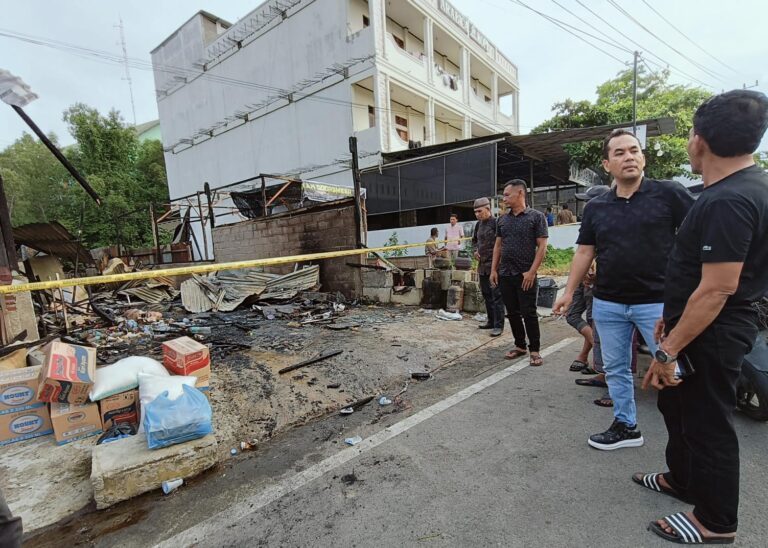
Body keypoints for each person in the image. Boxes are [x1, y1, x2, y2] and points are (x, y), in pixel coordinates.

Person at [639, 90, 768, 544]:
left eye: (692, 132)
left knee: (708, 423)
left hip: (714, 330)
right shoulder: (744, 187)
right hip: (694, 323)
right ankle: (683, 480)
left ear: (700, 140)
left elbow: (717, 289)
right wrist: (670, 323)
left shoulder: (728, 201)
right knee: (678, 408)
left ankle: (715, 521)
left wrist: (666, 350)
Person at [552, 128, 694, 450]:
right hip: (608, 303)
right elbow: (585, 251)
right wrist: (569, 291)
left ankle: (690, 434)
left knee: (674, 369)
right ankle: (627, 425)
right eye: (619, 152)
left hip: (657, 304)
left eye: (634, 150)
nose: (628, 157)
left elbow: (696, 237)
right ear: (606, 164)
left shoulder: (669, 193)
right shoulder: (596, 207)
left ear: (643, 157)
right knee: (615, 368)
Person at [490, 180, 549, 366]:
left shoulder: (536, 217)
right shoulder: (502, 220)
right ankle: (520, 345)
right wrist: (493, 269)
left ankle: (535, 350)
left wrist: (532, 272)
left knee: (529, 312)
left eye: (507, 195)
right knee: (513, 313)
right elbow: (498, 245)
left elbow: (542, 247)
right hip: (505, 274)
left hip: (525, 274)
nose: (504, 199)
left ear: (520, 194)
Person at [565, 185, 610, 373]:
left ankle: (595, 360)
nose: (585, 205)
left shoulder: (610, 221)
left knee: (594, 321)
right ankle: (596, 357)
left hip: (597, 280)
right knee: (572, 315)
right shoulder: (589, 222)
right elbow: (583, 251)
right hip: (584, 276)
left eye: (587, 201)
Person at [472, 197, 504, 337]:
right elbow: (474, 241)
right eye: (475, 212)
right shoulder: (478, 225)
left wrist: (497, 267)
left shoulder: (496, 223)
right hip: (482, 266)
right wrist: (475, 251)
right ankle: (491, 321)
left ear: (488, 209)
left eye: (480, 211)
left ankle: (499, 325)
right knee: (487, 295)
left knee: (497, 296)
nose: (477, 214)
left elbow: (502, 244)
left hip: (494, 267)